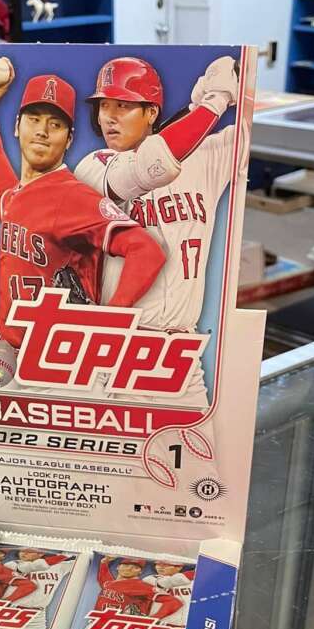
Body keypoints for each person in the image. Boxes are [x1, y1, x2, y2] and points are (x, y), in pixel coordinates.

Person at [74, 54, 243, 409]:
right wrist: (214, 101)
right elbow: (152, 164)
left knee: (198, 444)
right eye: (104, 105)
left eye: (123, 105)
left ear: (151, 113)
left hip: (182, 354)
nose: (109, 116)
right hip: (120, 348)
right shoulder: (93, 167)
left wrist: (242, 80)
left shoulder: (205, 159)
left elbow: (250, 132)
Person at [0, 62, 166, 350]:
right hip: (13, 353)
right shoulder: (15, 197)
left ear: (69, 139)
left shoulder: (71, 196)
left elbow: (147, 251)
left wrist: (113, 319)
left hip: (53, 357)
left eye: (55, 125)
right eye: (34, 119)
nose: (42, 131)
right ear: (17, 127)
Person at [95, 555, 179, 619]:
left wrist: (154, 618)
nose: (129, 569)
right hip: (98, 623)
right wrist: (104, 562)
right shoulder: (109, 583)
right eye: (126, 565)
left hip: (120, 627)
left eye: (135, 567)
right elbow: (103, 577)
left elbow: (174, 602)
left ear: (140, 572)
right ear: (118, 567)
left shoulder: (140, 585)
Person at [143, 559, 195, 625]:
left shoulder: (193, 582)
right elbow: (167, 582)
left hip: (186, 623)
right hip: (161, 623)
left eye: (166, 565)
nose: (161, 567)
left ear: (179, 567)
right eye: (158, 564)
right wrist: (195, 573)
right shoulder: (149, 579)